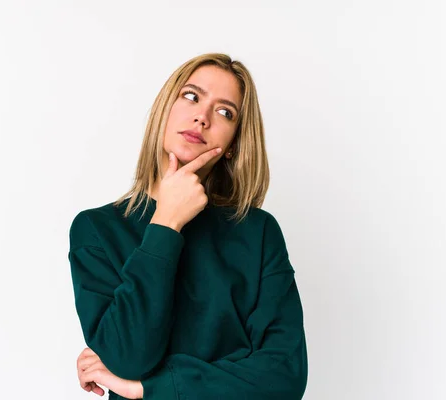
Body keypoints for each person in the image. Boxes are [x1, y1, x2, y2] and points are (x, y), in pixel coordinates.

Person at [68, 53, 308, 399]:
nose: (203, 117)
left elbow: (285, 377)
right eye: (192, 96)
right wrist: (166, 223)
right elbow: (127, 359)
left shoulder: (258, 231)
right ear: (164, 109)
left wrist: (148, 388)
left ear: (232, 145)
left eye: (225, 112)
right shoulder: (96, 229)